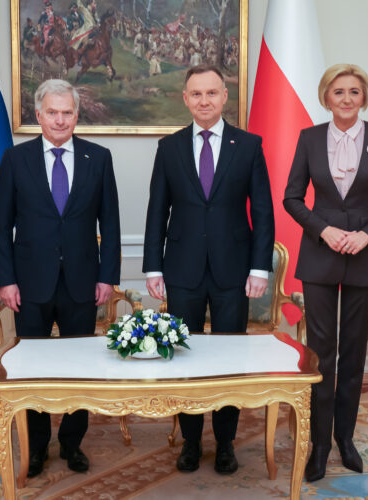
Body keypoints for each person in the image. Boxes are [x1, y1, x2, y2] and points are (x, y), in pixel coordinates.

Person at [143, 65, 275, 474]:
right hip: (181, 270)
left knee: (227, 360)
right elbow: (156, 212)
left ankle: (225, 443)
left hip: (233, 271)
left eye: (211, 93)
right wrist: (152, 268)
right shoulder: (169, 147)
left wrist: (259, 269)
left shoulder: (249, 145)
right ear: (185, 99)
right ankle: (190, 442)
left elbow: (264, 213)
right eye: (196, 94)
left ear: (224, 98)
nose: (204, 101)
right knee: (184, 359)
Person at [283, 64, 368, 482]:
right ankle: (319, 447)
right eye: (339, 91)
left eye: (355, 91)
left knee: (354, 352)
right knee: (322, 352)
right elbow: (292, 198)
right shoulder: (309, 138)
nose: (347, 98)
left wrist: (367, 236)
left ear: (364, 97)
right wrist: (325, 229)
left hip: (365, 256)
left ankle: (346, 440)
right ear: (326, 97)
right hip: (320, 255)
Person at [0, 79, 121, 478]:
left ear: (77, 115)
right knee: (30, 367)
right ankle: (36, 446)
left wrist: (108, 277)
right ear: (39, 115)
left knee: (80, 366)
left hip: (83, 281)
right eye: (53, 112)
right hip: (29, 284)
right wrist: (7, 280)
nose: (60, 119)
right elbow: (2, 227)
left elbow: (111, 224)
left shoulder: (98, 158)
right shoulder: (16, 159)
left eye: (67, 112)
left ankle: (71, 442)